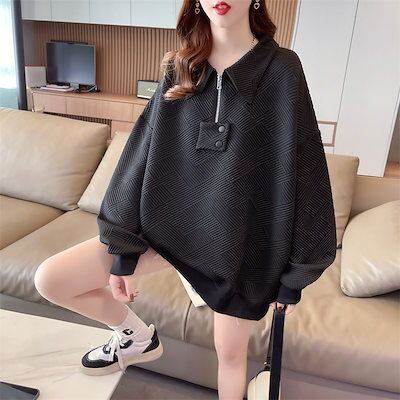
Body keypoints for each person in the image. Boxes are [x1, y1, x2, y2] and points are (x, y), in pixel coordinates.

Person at [34, 1, 337, 399]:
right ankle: (135, 337)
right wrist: (123, 251)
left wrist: (295, 276)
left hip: (236, 247)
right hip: (166, 233)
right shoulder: (180, 66)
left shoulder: (282, 70)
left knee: (230, 356)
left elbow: (305, 167)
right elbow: (141, 154)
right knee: (51, 280)